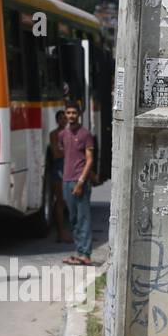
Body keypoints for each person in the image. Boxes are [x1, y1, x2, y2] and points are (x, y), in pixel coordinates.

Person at [57, 101, 95, 266]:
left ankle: (85, 254)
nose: (71, 116)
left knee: (83, 218)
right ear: (64, 114)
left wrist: (81, 181)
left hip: (80, 182)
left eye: (74, 113)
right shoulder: (62, 135)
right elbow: (63, 153)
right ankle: (79, 252)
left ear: (79, 115)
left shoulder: (85, 134)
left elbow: (90, 160)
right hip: (66, 180)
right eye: (68, 112)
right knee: (72, 218)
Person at [45, 109, 71, 243]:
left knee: (69, 200)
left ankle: (65, 232)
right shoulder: (54, 134)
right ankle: (60, 232)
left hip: (68, 168)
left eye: (64, 118)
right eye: (60, 118)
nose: (63, 120)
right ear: (57, 120)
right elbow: (56, 153)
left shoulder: (70, 133)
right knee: (60, 200)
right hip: (59, 168)